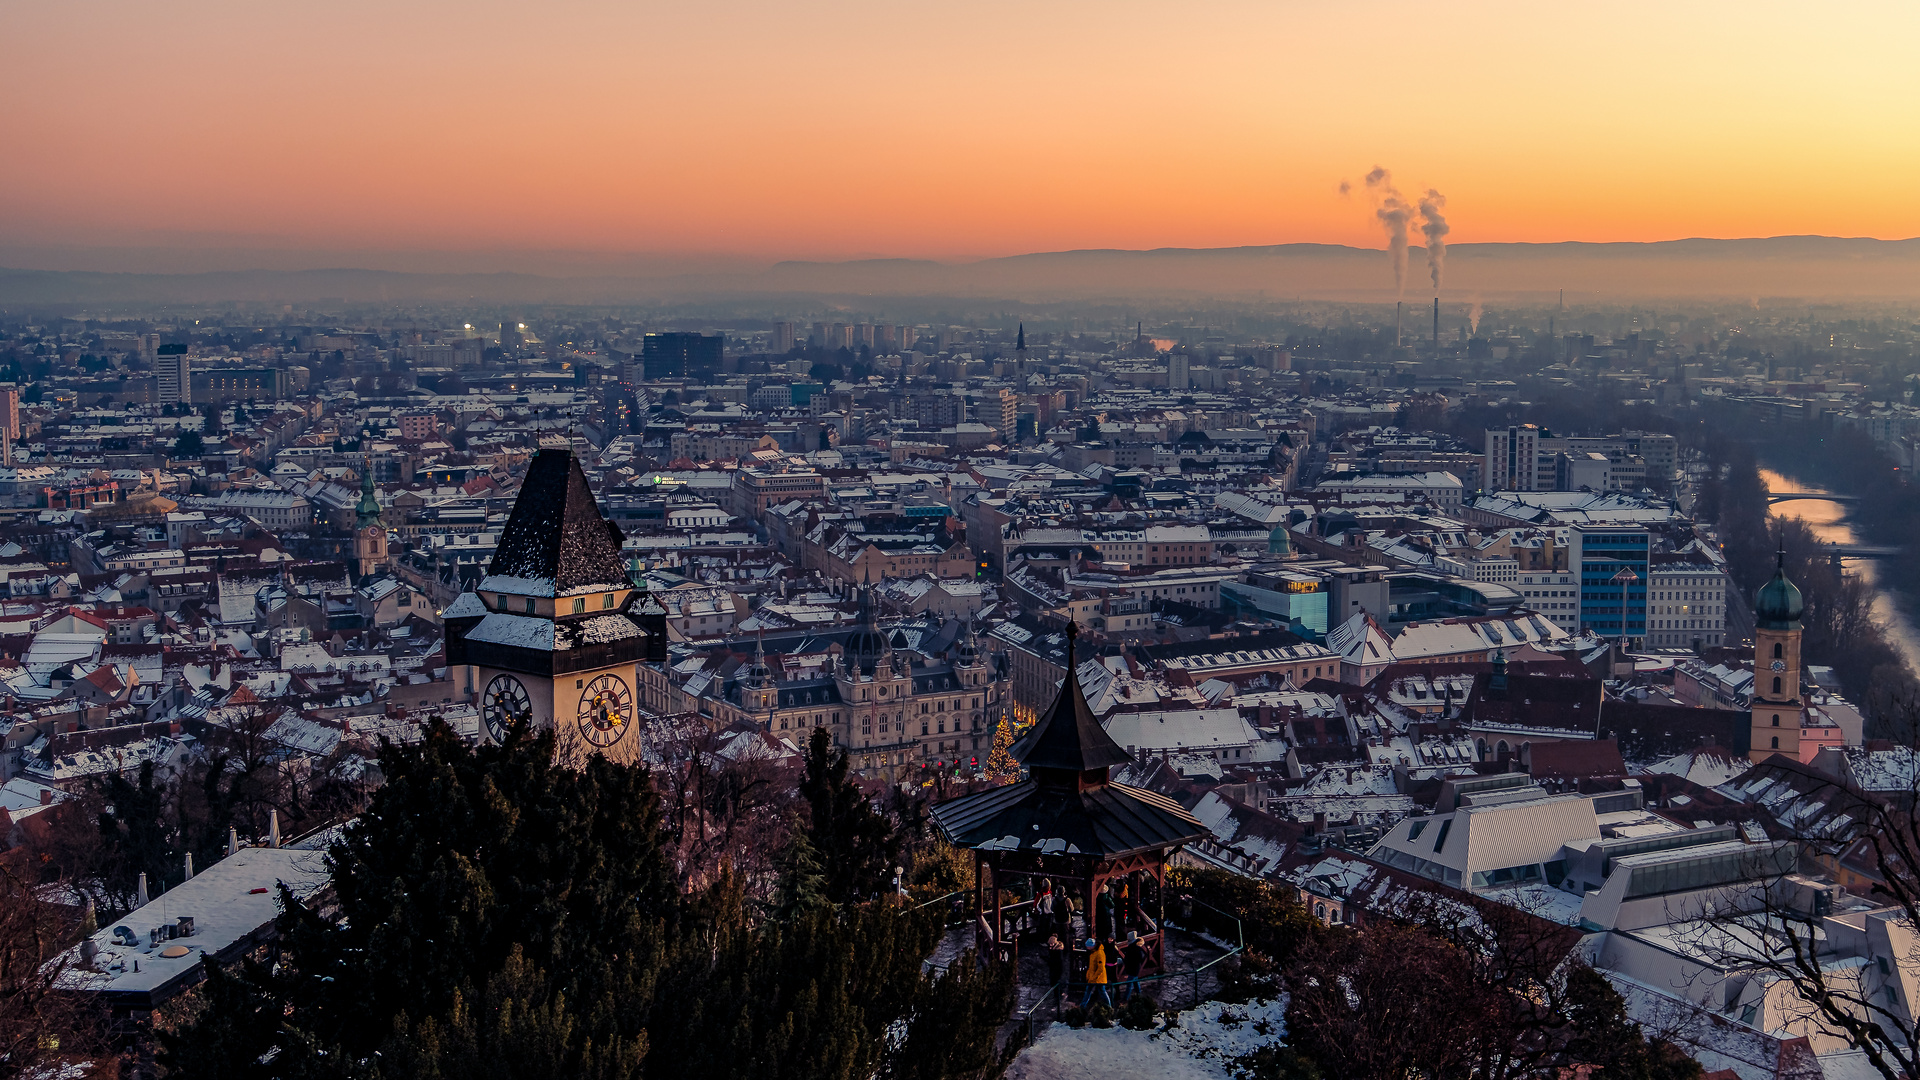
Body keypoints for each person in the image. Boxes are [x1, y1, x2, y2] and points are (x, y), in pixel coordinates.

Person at [1079, 937, 1111, 1011]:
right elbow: (1092, 967)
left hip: (1098, 978)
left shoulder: (1099, 953)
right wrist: (1089, 975)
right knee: (1090, 991)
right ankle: (1082, 1006)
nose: (1086, 948)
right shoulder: (1094, 952)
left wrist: (1093, 977)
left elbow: (1100, 968)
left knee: (1102, 992)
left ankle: (1109, 1006)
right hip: (1093, 977)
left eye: (1087, 946)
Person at [1118, 930, 1147, 1003]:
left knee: (1129, 984)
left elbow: (1128, 958)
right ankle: (1139, 994)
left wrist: (1125, 961)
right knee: (1135, 981)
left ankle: (1125, 999)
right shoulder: (1137, 948)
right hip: (1135, 968)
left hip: (1132, 968)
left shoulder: (1132, 948)